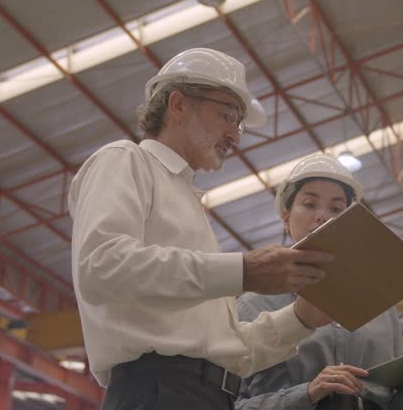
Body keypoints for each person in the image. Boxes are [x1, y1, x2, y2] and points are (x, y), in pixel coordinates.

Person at [69, 48, 336, 410]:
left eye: (238, 123)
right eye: (227, 115)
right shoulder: (125, 160)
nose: (235, 136)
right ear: (178, 104)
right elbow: (101, 266)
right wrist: (244, 271)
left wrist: (300, 319)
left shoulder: (189, 207)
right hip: (160, 392)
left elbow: (226, 353)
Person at [236, 154, 403, 410]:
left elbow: (395, 404)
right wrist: (307, 393)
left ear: (350, 220)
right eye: (309, 204)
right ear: (286, 217)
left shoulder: (382, 310)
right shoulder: (254, 306)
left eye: (336, 209)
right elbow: (230, 404)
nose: (322, 216)